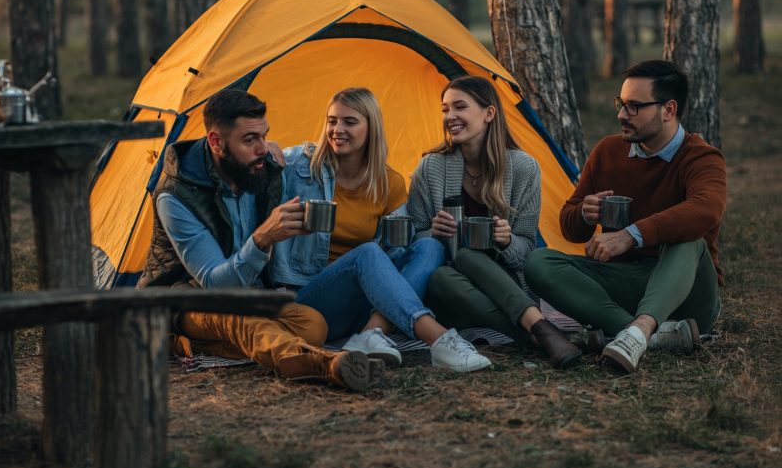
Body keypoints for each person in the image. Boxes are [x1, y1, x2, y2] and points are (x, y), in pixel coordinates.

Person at [137, 88, 384, 392]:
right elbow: (215, 285)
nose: (263, 149)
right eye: (250, 140)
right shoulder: (176, 196)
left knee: (313, 325)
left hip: (249, 292)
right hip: (184, 297)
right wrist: (263, 237)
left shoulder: (260, 169)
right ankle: (321, 364)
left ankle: (189, 346)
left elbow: (305, 158)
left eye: (265, 136)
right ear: (216, 142)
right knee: (245, 322)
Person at [524, 60, 726, 373]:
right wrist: (584, 214)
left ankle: (639, 330)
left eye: (634, 107)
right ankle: (649, 336)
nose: (621, 115)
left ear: (668, 110)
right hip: (625, 283)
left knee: (689, 239)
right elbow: (569, 226)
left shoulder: (701, 156)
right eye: (621, 104)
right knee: (539, 263)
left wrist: (631, 235)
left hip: (686, 292)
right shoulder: (608, 151)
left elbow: (707, 209)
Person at [269, 87, 491, 372]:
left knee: (429, 246)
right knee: (368, 253)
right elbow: (253, 168)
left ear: (371, 128)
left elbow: (398, 251)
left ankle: (372, 333)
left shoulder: (388, 183)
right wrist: (267, 151)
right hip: (311, 300)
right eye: (332, 121)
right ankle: (437, 339)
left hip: (363, 306)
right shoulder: (299, 166)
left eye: (350, 122)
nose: (337, 129)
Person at [407, 75, 583, 369]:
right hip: (453, 295)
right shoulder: (431, 167)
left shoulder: (523, 168)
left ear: (489, 113)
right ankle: (541, 331)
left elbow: (527, 250)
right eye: (445, 109)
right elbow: (412, 243)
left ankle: (535, 334)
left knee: (467, 255)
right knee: (442, 274)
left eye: (460, 107)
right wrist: (431, 233)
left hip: (507, 287)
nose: (450, 117)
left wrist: (507, 240)